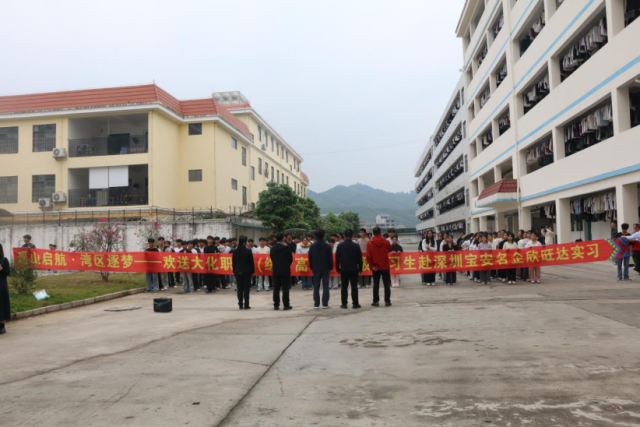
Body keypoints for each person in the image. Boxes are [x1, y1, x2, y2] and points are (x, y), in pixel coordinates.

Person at [335, 228, 362, 309]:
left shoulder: (340, 245)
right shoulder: (356, 245)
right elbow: (359, 258)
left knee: (344, 286)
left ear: (344, 235)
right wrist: (360, 268)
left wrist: (337, 268)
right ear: (352, 235)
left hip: (344, 268)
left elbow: (337, 258)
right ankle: (355, 303)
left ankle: (344, 303)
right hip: (353, 268)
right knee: (354, 286)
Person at [367, 227, 392, 307]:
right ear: (380, 232)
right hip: (385, 265)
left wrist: (371, 266)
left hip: (375, 267)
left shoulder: (370, 243)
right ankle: (387, 301)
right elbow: (389, 249)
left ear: (373, 233)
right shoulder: (386, 242)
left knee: (376, 284)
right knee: (386, 284)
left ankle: (376, 301)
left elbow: (368, 256)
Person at [309, 229, 333, 309]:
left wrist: (312, 267)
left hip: (316, 268)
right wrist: (330, 267)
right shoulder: (327, 246)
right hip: (325, 268)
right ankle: (325, 304)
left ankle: (316, 304)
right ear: (323, 235)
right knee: (325, 286)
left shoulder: (312, 246)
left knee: (316, 286)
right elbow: (330, 258)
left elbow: (310, 258)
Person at [270, 233, 293, 310]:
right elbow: (290, 259)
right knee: (285, 288)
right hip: (285, 270)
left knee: (276, 288)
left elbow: (271, 258)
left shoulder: (273, 248)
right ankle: (286, 305)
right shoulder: (286, 248)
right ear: (283, 238)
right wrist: (286, 265)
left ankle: (276, 305)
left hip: (276, 270)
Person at [232, 236, 255, 309]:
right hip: (246, 272)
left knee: (239, 288)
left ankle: (240, 304)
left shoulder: (235, 251)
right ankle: (246, 304)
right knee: (246, 289)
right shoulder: (248, 251)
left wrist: (234, 271)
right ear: (244, 243)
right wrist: (253, 271)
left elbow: (233, 263)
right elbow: (251, 262)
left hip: (237, 271)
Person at [0, 244, 10, 335]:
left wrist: (2, 269)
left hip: (1, 286)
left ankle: (2, 326)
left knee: (1, 305)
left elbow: (8, 272)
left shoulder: (4, 260)